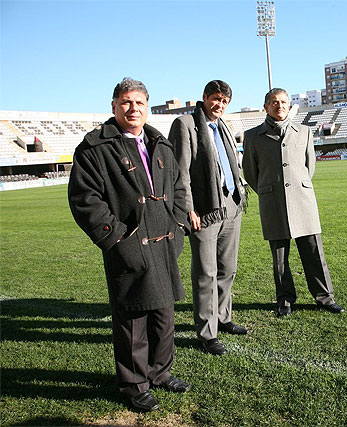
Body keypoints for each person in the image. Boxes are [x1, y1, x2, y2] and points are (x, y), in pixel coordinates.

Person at [68, 78, 191, 412]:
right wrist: (117, 237)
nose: (132, 108)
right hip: (129, 245)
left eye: (138, 102)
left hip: (164, 243)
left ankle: (160, 373)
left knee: (164, 316)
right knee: (133, 320)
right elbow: (85, 199)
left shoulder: (160, 144)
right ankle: (134, 384)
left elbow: (179, 187)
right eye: (125, 102)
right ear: (114, 106)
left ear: (147, 106)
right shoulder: (94, 148)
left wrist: (177, 224)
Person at [242, 88, 344, 317]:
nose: (280, 106)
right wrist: (269, 191)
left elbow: (310, 167)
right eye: (275, 102)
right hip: (272, 202)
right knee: (280, 259)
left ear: (289, 105)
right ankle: (285, 300)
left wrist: (297, 188)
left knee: (314, 253)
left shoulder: (305, 132)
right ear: (266, 106)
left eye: (284, 102)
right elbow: (250, 172)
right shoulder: (252, 136)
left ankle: (325, 297)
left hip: (302, 200)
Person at [168, 80, 246, 356]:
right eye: (215, 99)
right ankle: (207, 332)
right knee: (206, 273)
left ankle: (223, 318)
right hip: (204, 208)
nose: (219, 105)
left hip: (231, 205)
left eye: (224, 101)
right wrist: (189, 209)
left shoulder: (223, 125)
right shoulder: (185, 124)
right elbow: (180, 172)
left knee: (228, 268)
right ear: (204, 97)